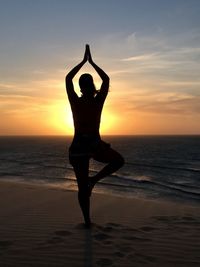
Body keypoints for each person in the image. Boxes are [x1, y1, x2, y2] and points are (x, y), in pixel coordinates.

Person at [66, 44, 124, 228]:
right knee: (84, 188)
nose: (87, 86)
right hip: (84, 148)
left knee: (117, 162)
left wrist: (87, 62)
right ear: (86, 86)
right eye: (86, 83)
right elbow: (104, 79)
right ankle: (87, 220)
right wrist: (89, 62)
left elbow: (69, 78)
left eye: (87, 83)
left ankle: (93, 183)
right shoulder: (84, 101)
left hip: (90, 145)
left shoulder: (88, 101)